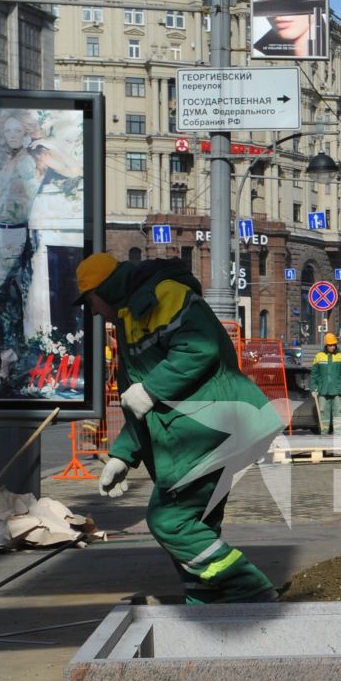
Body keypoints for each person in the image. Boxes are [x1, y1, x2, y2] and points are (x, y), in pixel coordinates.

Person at [76, 253, 280, 604]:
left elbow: (200, 348)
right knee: (196, 526)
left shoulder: (164, 295)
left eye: (90, 301)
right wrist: (123, 455)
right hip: (199, 431)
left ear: (103, 289)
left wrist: (152, 388)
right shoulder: (129, 319)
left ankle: (249, 589)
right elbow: (139, 404)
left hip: (212, 427)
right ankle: (205, 604)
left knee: (170, 519)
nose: (93, 312)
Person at [0, 110, 78, 391]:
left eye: (16, 132)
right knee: (6, 298)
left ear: (26, 132)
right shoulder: (2, 158)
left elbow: (73, 169)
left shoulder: (38, 155)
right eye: (7, 132)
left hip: (12, 235)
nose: (11, 137)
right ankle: (7, 362)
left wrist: (42, 140)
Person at [308, 332, 341, 433]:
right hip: (323, 390)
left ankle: (339, 433)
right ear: (326, 345)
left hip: (338, 390)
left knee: (338, 412)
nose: (332, 347)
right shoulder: (319, 356)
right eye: (330, 345)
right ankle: (324, 432)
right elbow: (314, 374)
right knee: (323, 412)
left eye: (333, 345)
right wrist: (313, 388)